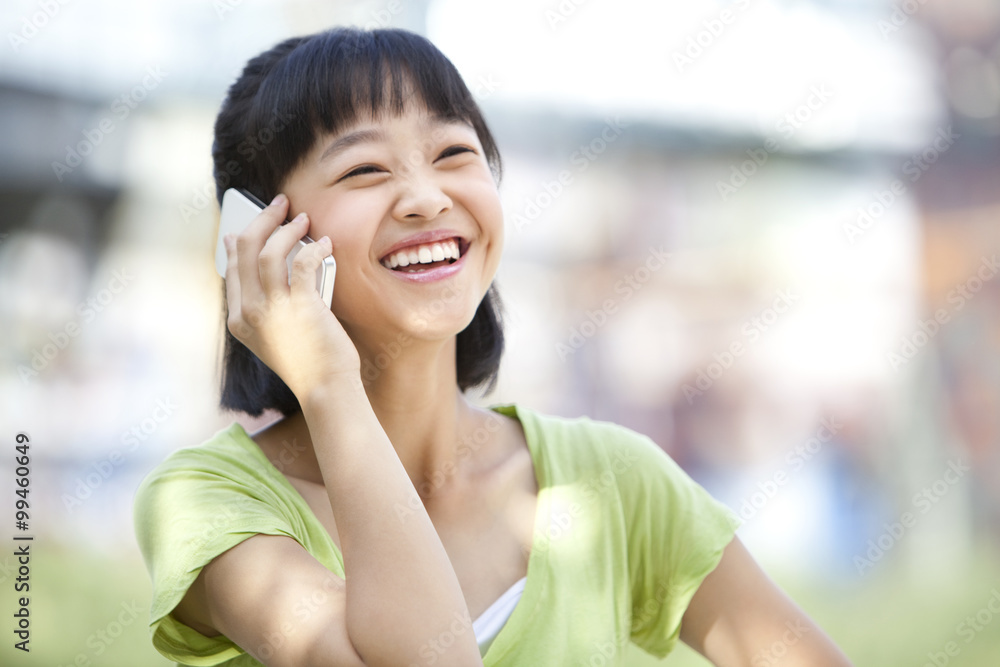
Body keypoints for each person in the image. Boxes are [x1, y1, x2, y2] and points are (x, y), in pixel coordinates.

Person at [133, 27, 854, 667]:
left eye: (454, 153)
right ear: (255, 237)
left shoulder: (607, 478)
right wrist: (327, 383)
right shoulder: (209, 502)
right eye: (364, 170)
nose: (426, 197)